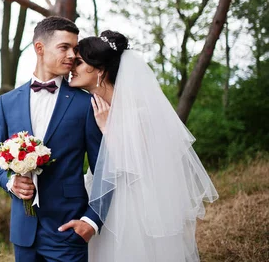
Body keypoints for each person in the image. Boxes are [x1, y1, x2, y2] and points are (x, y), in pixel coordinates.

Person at [69, 30, 218, 262]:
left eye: (78, 62)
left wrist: (110, 130)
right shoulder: (87, 108)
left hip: (133, 210)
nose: (71, 67)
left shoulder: (139, 113)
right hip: (97, 205)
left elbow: (145, 171)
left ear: (99, 70)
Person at [0, 16, 106, 262]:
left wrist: (91, 221)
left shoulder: (86, 104)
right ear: (39, 48)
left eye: (75, 48)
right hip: (24, 233)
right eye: (64, 47)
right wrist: (11, 183)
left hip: (68, 232)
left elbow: (104, 168)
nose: (73, 55)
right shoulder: (7, 102)